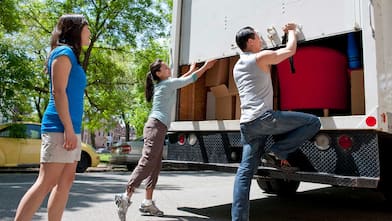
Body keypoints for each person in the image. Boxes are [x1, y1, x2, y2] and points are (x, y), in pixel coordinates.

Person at [231, 24, 321, 221]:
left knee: (244, 173)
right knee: (313, 122)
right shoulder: (259, 58)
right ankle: (279, 151)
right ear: (250, 41)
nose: (261, 38)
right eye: (257, 36)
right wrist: (291, 32)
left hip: (247, 124)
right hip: (264, 119)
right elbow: (290, 51)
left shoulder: (237, 65)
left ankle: (239, 219)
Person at [114, 59, 216, 220]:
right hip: (155, 127)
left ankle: (147, 202)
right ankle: (125, 197)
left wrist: (191, 69)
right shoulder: (166, 85)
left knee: (155, 166)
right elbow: (190, 80)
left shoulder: (166, 84)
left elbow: (182, 80)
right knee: (147, 162)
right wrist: (206, 67)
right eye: (166, 68)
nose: (169, 69)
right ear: (158, 73)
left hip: (158, 128)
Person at [14, 14, 90, 221]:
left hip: (70, 127)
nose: (90, 33)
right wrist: (66, 128)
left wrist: (72, 129)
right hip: (59, 127)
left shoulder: (72, 56)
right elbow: (58, 92)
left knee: (65, 182)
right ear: (75, 30)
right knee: (46, 182)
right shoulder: (63, 53)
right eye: (87, 28)